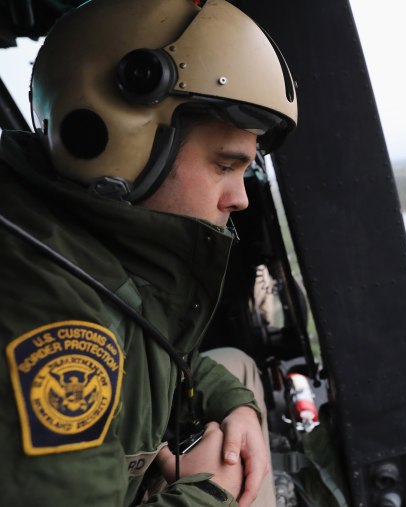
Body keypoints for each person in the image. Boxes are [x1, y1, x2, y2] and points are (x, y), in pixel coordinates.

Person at [0, 0, 297, 505]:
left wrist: (236, 406)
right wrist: (212, 492)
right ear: (115, 140)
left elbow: (156, 344)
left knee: (238, 367)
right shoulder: (47, 312)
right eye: (225, 165)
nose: (241, 198)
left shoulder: (82, 234)